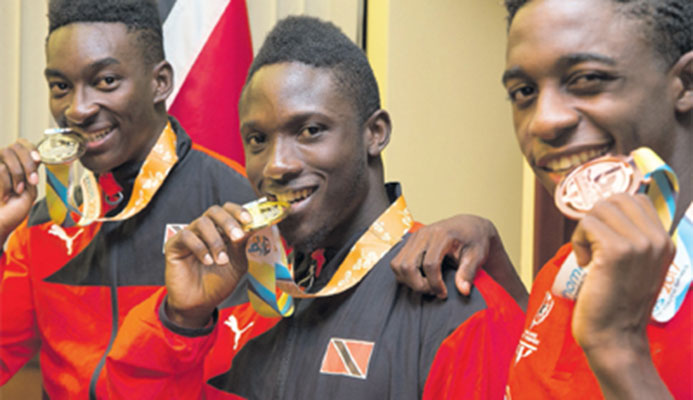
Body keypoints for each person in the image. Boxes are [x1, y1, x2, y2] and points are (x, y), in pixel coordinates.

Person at [104, 15, 526, 399]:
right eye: (257, 140)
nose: (276, 164)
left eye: (309, 130)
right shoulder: (235, 293)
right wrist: (181, 319)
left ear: (374, 133)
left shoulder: (456, 305)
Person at [396, 0, 692, 398]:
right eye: (524, 92)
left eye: (587, 79)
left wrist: (619, 349)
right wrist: (501, 269)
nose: (543, 121)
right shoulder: (564, 269)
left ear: (686, 83)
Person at [0, 0, 257, 397]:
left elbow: (254, 376)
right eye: (60, 86)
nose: (77, 110)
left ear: (161, 82)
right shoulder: (45, 219)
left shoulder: (237, 204)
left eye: (105, 81)